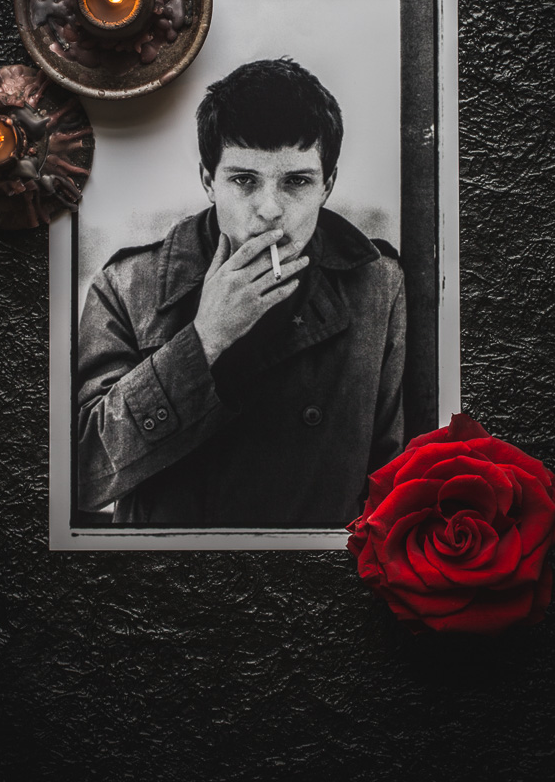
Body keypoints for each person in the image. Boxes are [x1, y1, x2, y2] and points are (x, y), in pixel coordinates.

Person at [77, 58, 405, 529]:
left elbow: (395, 476)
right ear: (209, 180)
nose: (269, 209)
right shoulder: (128, 286)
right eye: (244, 180)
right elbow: (83, 476)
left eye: (296, 181)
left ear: (327, 185)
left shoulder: (378, 285)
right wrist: (205, 338)